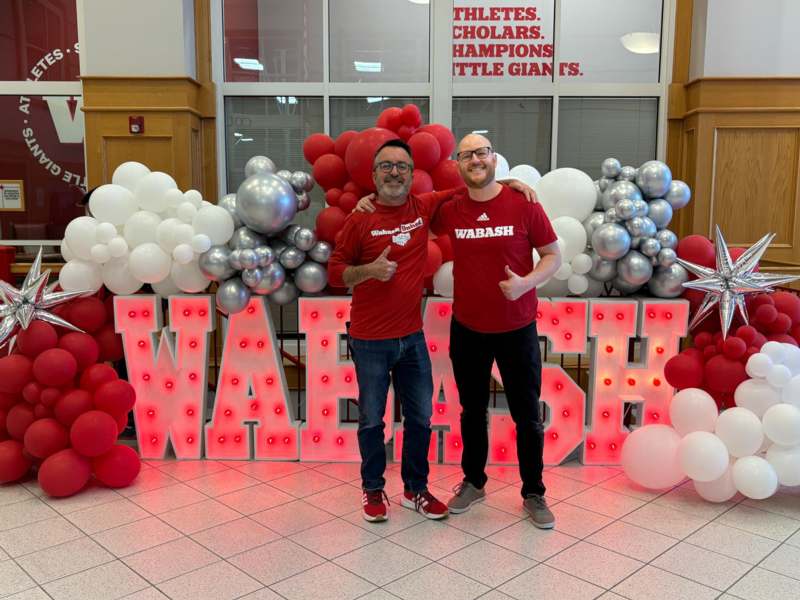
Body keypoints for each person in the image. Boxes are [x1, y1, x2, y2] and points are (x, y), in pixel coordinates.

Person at [329, 139, 535, 523]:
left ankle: (415, 489)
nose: (394, 172)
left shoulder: (422, 207)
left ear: (412, 174)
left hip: (412, 339)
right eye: (386, 166)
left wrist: (507, 184)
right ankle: (373, 489)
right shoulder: (360, 218)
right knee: (373, 418)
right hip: (370, 340)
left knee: (420, 418)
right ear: (374, 175)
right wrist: (368, 272)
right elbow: (335, 271)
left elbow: (471, 185)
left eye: (402, 166)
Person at [434, 134, 561, 529]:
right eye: (467, 155)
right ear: (458, 163)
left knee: (527, 415)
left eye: (482, 152)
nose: (475, 159)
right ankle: (474, 482)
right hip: (468, 328)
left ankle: (534, 492)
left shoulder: (524, 203)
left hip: (517, 327)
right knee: (472, 412)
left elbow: (553, 255)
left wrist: (525, 283)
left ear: (494, 157)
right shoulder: (452, 208)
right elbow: (408, 209)